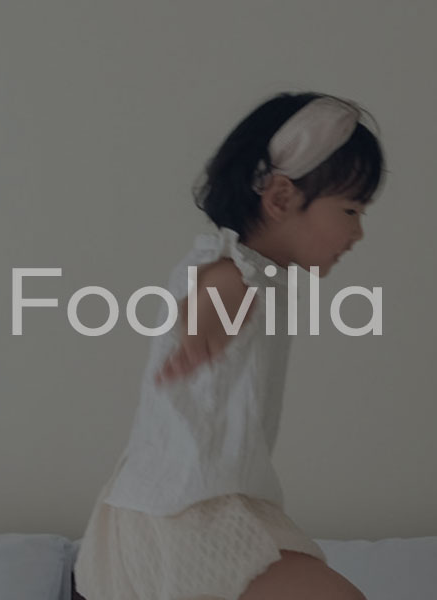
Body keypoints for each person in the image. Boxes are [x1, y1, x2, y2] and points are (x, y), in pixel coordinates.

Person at [75, 92, 385, 600]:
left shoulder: (259, 276)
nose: (358, 232)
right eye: (351, 209)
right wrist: (203, 327)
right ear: (280, 198)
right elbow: (217, 290)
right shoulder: (232, 271)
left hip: (216, 503)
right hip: (184, 511)